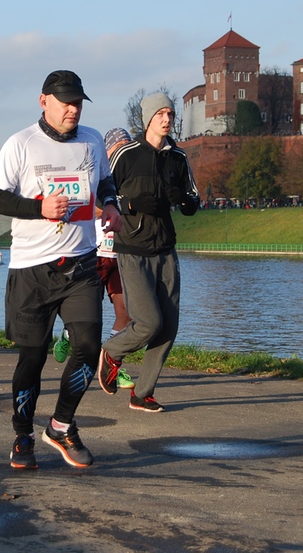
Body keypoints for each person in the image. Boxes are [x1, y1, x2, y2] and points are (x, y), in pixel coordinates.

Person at [0, 69, 122, 469]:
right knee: (32, 358)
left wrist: (110, 205)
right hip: (32, 268)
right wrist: (38, 208)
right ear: (44, 101)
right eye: (65, 103)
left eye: (78, 103)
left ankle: (61, 425)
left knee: (88, 347)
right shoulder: (21, 143)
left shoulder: (92, 140)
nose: (73, 110)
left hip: (81, 263)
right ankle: (23, 435)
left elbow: (105, 181)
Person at [98, 92, 199, 412]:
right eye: (161, 114)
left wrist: (183, 199)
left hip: (166, 249)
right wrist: (130, 204)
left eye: (170, 114)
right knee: (148, 322)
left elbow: (193, 202)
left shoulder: (178, 158)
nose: (167, 119)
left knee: (168, 327)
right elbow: (101, 196)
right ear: (148, 119)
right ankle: (112, 352)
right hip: (133, 249)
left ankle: (143, 394)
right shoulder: (126, 154)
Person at [53, 127, 134, 390]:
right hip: (95, 253)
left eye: (126, 145)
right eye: (118, 146)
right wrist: (113, 206)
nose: (123, 151)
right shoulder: (97, 174)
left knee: (125, 312)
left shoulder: (132, 174)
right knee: (89, 315)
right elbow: (86, 203)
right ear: (107, 151)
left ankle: (112, 363)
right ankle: (67, 335)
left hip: (120, 255)